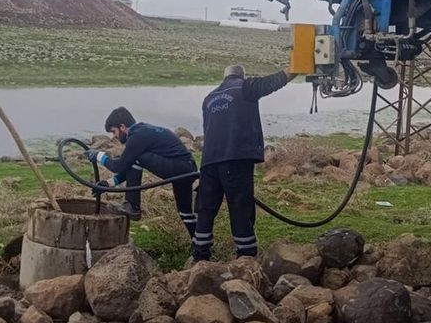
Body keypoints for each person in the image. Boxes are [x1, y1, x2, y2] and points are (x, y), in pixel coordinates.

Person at [192, 65, 295, 260]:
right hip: (235, 158)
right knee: (240, 206)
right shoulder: (245, 87)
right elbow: (274, 82)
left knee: (206, 207)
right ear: (241, 76)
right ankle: (246, 257)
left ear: (225, 77)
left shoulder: (209, 98)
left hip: (209, 160)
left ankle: (200, 255)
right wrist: (299, 65)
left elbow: (208, 128)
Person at [86, 107, 198, 236]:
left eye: (114, 131)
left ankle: (133, 206)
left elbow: (120, 166)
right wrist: (108, 184)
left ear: (122, 127)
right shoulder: (142, 131)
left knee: (138, 157)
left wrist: (99, 156)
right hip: (185, 169)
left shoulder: (137, 136)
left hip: (181, 168)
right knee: (185, 212)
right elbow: (128, 167)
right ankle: (201, 248)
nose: (114, 136)